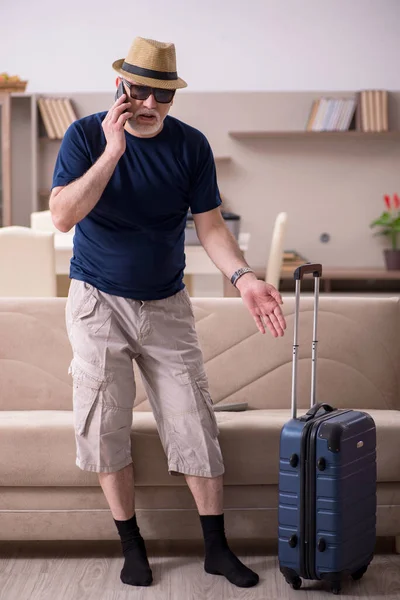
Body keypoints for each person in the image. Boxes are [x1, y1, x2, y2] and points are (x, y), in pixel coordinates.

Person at [49, 36, 287, 589]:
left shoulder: (190, 146)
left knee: (194, 421)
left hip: (166, 302)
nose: (150, 104)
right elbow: (63, 216)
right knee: (105, 424)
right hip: (97, 302)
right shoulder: (85, 136)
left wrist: (244, 277)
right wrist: (112, 152)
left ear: (173, 96)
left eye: (163, 94)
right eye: (140, 91)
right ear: (120, 87)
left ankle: (215, 548)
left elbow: (209, 227)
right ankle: (132, 546)